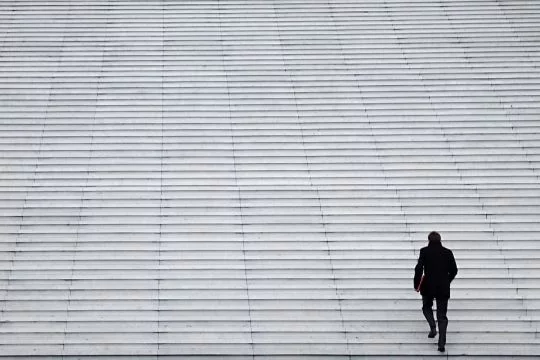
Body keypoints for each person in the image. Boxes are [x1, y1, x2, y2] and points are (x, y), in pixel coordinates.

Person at [414, 231, 458, 352]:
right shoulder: (448, 252)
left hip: (428, 285)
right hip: (443, 286)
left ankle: (433, 326)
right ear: (440, 240)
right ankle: (441, 343)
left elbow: (418, 269)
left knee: (426, 307)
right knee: (442, 316)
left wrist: (416, 284)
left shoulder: (424, 251)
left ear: (429, 240)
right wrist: (447, 280)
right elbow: (454, 270)